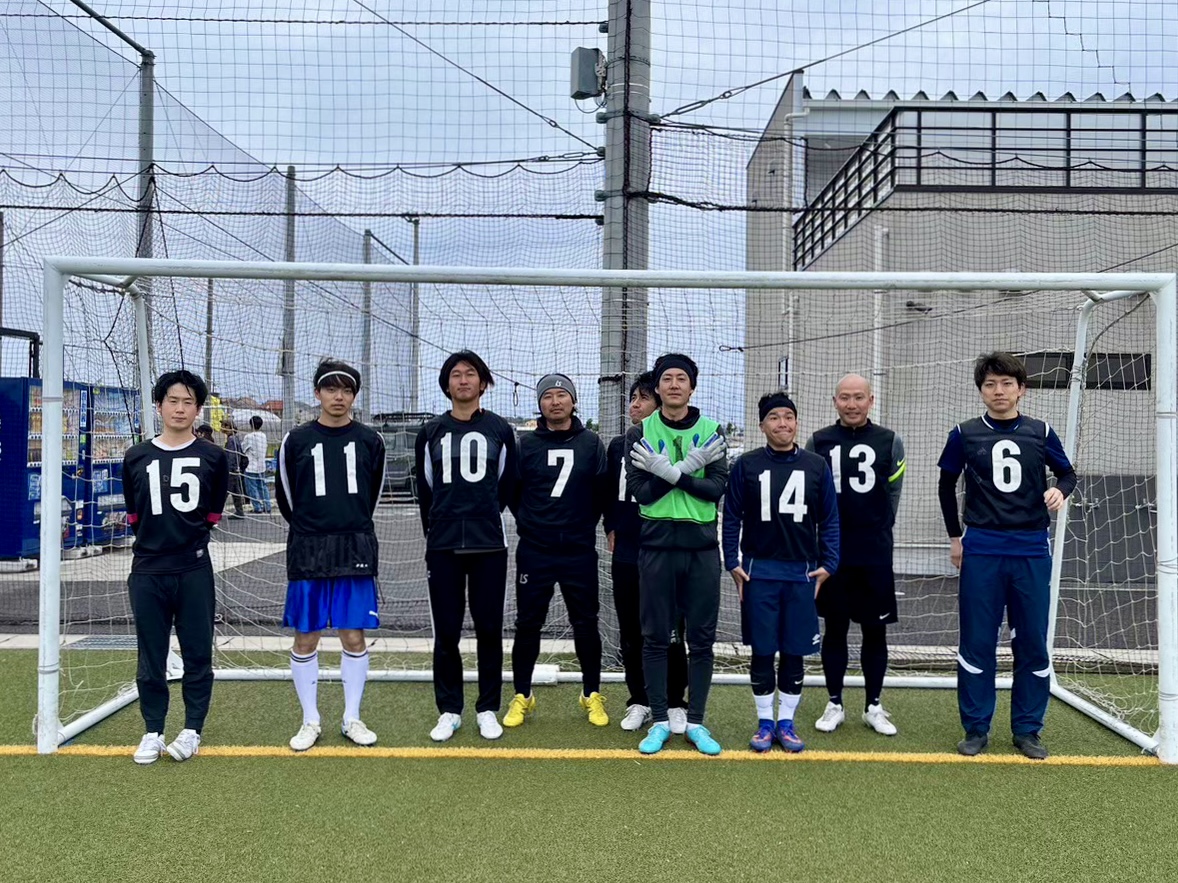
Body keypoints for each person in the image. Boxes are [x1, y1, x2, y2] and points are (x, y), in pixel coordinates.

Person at [938, 352, 1076, 759]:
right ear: (981, 391)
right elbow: (946, 486)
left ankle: (1028, 730)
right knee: (977, 639)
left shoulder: (1041, 431)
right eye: (990, 385)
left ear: (1021, 389)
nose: (998, 391)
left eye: (1006, 384)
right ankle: (976, 728)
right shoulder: (964, 434)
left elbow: (1068, 473)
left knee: (1031, 640)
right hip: (982, 546)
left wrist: (1060, 490)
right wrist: (955, 538)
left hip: (1030, 547)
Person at [276, 360, 386, 751]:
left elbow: (372, 496)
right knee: (306, 637)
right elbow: (286, 496)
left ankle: (351, 717)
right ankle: (310, 720)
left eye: (346, 390)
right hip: (308, 548)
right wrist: (313, 528)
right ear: (317, 393)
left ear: (354, 396)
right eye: (331, 389)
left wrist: (348, 525)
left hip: (355, 547)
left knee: (353, 635)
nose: (339, 397)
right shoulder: (296, 440)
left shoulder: (371, 440)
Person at [121, 369, 229, 764]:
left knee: (198, 651)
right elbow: (135, 514)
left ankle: (192, 729)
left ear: (198, 409)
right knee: (151, 654)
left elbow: (213, 514)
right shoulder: (136, 456)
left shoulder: (214, 457)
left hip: (193, 569)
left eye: (188, 402)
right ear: (159, 405)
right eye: (173, 401)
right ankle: (153, 730)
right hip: (148, 570)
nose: (180, 409)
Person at [625, 353, 729, 755]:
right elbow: (643, 493)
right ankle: (659, 721)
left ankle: (696, 721)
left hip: (701, 548)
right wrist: (686, 471)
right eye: (666, 378)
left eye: (681, 378)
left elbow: (715, 490)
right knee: (655, 638)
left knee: (700, 640)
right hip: (657, 547)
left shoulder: (711, 431)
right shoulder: (640, 432)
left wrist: (669, 471)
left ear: (692, 386)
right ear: (657, 387)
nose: (673, 384)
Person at [724, 392, 838, 753]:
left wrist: (829, 563)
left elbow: (830, 519)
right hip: (759, 572)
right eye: (774, 417)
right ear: (762, 425)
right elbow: (731, 516)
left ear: (797, 422)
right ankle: (764, 723)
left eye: (788, 416)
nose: (782, 423)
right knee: (762, 651)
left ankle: (786, 723)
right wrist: (731, 561)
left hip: (801, 574)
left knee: (793, 652)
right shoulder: (746, 465)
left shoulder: (816, 466)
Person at [415, 350, 518, 742]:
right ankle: (449, 710)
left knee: (489, 629)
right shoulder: (431, 431)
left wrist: (481, 514)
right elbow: (426, 487)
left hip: (488, 542)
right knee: (447, 632)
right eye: (455, 374)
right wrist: (441, 525)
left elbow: (507, 483)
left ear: (483, 382)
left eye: (470, 373)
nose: (463, 380)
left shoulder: (500, 429)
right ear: (446, 384)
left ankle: (487, 708)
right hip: (443, 544)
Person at [504, 373, 611, 728]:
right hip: (535, 550)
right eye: (547, 396)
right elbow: (513, 493)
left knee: (586, 623)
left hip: (578, 550)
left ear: (573, 401)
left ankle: (591, 694)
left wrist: (578, 526)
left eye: (561, 395)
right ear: (540, 404)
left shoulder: (591, 443)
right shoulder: (525, 445)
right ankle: (522, 695)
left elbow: (601, 492)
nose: (555, 401)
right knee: (527, 624)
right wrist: (534, 523)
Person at [805, 374, 906, 736]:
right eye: (845, 397)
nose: (852, 404)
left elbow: (893, 494)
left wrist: (875, 529)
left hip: (873, 552)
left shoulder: (890, 441)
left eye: (858, 397)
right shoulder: (818, 441)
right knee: (835, 628)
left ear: (870, 400)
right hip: (832, 553)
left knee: (875, 630)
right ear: (835, 401)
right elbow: (811, 496)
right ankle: (834, 703)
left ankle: (873, 706)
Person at [604, 372, 690, 732]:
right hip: (627, 551)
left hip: (666, 549)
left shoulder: (676, 443)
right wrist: (611, 527)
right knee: (631, 631)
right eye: (632, 399)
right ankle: (638, 699)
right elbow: (608, 492)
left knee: (670, 631)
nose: (635, 405)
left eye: (643, 398)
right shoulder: (618, 446)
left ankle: (674, 701)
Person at [242, 415, 271, 514]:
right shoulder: (263, 436)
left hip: (251, 466)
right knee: (262, 486)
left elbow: (243, 448)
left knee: (252, 488)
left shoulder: (249, 437)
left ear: (251, 424)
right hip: (261, 466)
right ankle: (267, 506)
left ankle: (257, 507)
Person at [221, 420, 248, 519]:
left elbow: (232, 456)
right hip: (235, 469)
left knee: (224, 491)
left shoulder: (231, 440)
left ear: (229, 427)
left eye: (223, 426)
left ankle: (216, 512)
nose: (221, 428)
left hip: (231, 470)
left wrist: (230, 468)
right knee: (236, 492)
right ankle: (239, 511)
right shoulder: (234, 438)